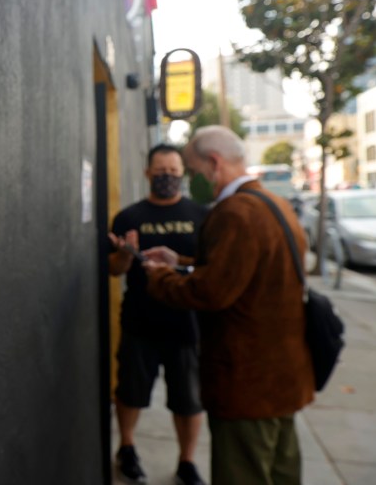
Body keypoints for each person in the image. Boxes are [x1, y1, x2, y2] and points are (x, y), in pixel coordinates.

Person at [143, 126, 314, 485]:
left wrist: (159, 276)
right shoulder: (274, 204)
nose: (191, 180)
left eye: (191, 171)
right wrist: (181, 261)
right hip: (282, 378)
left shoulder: (235, 213)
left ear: (214, 163)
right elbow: (241, 272)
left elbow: (209, 293)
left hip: (246, 383)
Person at [108, 143, 208, 485]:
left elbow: (212, 267)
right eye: (160, 171)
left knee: (188, 399)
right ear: (148, 173)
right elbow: (114, 269)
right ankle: (127, 447)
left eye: (173, 171)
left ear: (183, 174)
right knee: (131, 392)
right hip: (140, 321)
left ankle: (187, 461)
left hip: (186, 323)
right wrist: (125, 255)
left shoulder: (202, 216)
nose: (166, 177)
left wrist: (179, 262)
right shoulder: (129, 217)